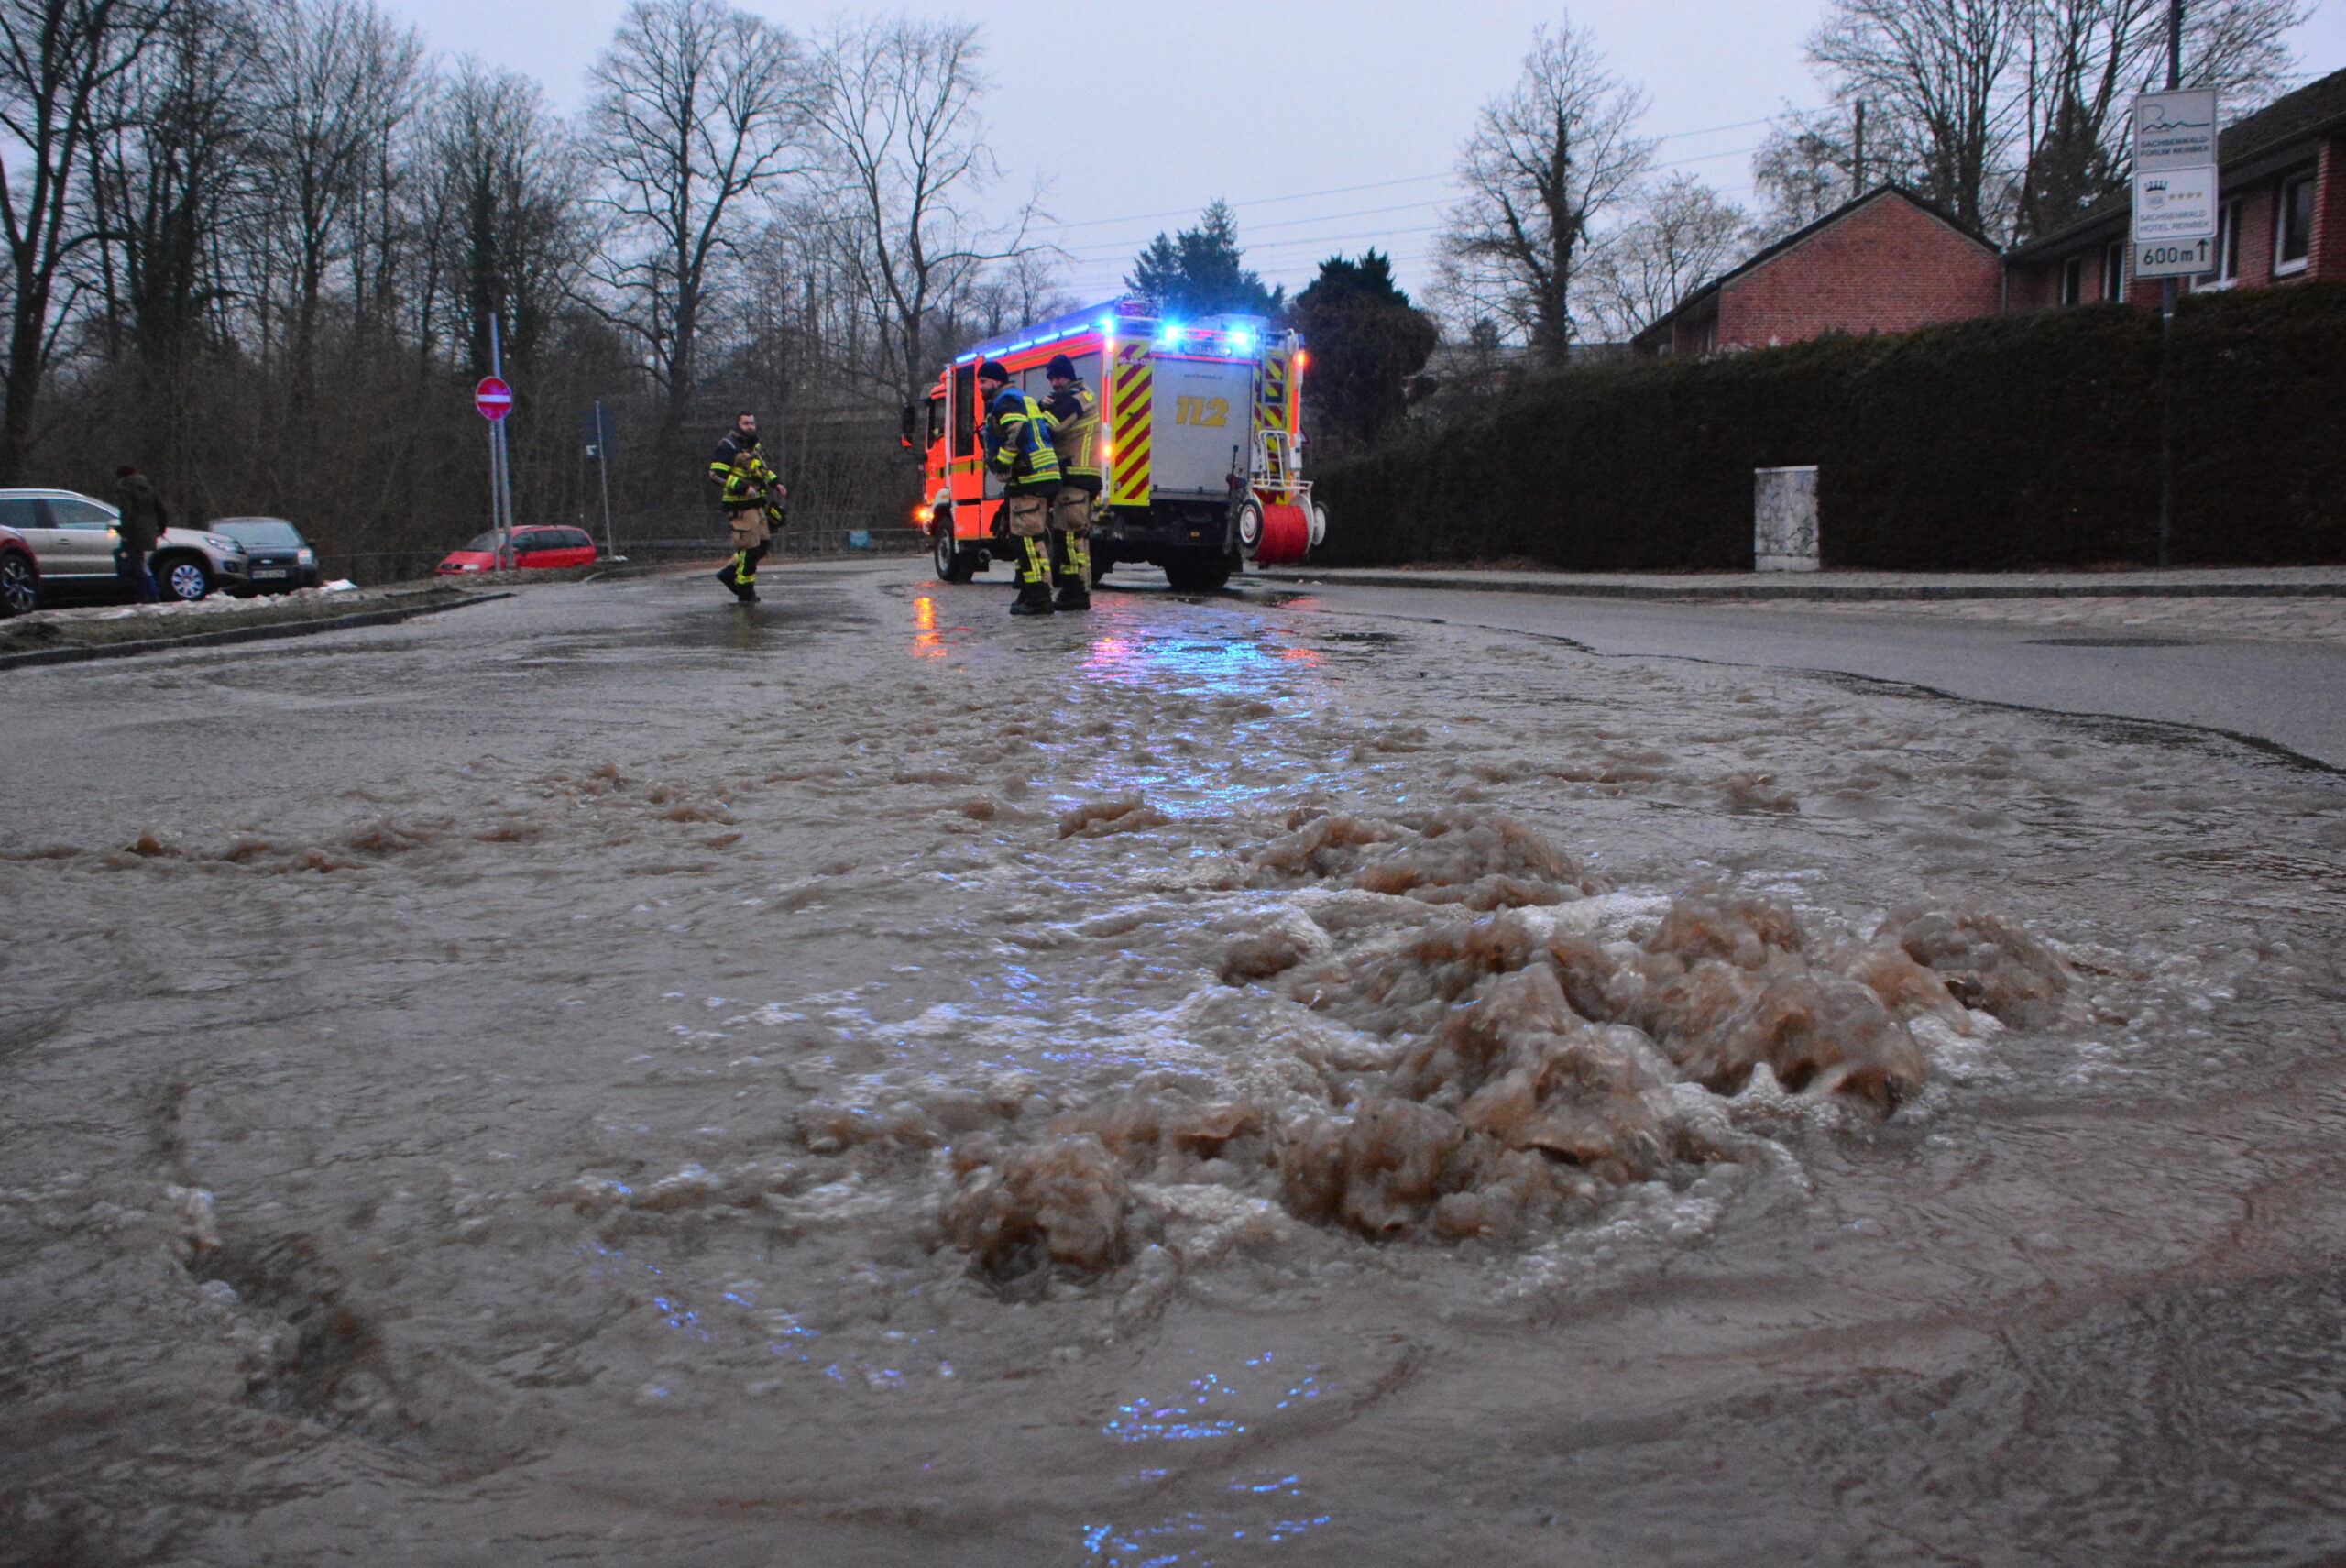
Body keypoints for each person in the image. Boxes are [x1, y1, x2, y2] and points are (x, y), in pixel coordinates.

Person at [976, 360, 1062, 617]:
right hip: (1040, 475)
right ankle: (1032, 592)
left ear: (996, 380)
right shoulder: (1022, 398)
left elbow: (1017, 430)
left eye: (983, 382)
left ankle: (1037, 597)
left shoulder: (1006, 401)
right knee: (1029, 538)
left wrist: (1002, 462)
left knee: (1027, 540)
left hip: (1029, 476)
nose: (980, 387)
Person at [1039, 354, 1100, 612]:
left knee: (1071, 537)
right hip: (1075, 477)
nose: (1055, 382)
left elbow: (1050, 426)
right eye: (1051, 378)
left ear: (1071, 376)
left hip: (1077, 476)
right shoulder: (1074, 397)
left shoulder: (1078, 398)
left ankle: (1075, 590)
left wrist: (1039, 409)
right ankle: (1075, 589)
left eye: (1059, 377)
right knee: (1072, 537)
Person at [707, 412, 784, 603]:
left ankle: (728, 573)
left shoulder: (753, 446)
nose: (750, 426)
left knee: (763, 544)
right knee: (750, 548)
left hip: (757, 503)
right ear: (737, 425)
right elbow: (716, 474)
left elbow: (762, 470)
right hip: (740, 505)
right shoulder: (728, 445)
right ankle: (745, 590)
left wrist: (776, 483)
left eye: (752, 423)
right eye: (746, 423)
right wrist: (743, 487)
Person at [114, 464, 166, 603]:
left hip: (134, 533)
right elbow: (161, 510)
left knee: (136, 565)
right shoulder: (150, 489)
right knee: (142, 563)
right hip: (149, 531)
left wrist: (125, 533)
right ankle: (150, 594)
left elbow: (127, 513)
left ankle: (149, 594)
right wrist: (161, 528)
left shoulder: (124, 490)